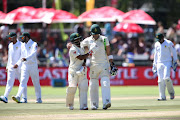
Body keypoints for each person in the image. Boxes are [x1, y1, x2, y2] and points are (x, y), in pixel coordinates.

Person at [81, 24, 118, 110]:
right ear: (91, 33)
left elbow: (108, 52)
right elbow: (80, 47)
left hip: (104, 64)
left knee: (105, 82)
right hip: (93, 65)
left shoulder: (104, 39)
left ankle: (106, 102)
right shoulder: (88, 40)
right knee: (93, 84)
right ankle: (94, 104)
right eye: (94, 34)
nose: (96, 35)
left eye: (97, 34)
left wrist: (112, 63)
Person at [66, 33, 98, 110]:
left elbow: (83, 59)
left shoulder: (81, 47)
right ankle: (70, 104)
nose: (78, 40)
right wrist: (90, 53)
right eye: (76, 39)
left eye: (78, 39)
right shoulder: (73, 49)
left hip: (81, 70)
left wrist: (84, 65)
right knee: (72, 88)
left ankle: (83, 105)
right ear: (73, 41)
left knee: (84, 87)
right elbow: (80, 57)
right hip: (73, 71)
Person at [11, 32, 42, 103]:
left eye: (22, 37)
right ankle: (19, 97)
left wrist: (26, 58)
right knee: (22, 81)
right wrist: (18, 64)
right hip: (25, 66)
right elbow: (21, 57)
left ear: (27, 37)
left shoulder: (34, 44)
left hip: (33, 66)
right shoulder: (22, 45)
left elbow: (33, 53)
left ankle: (39, 98)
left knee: (36, 82)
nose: (21, 38)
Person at [0, 32, 27, 103]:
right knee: (9, 81)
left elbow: (22, 56)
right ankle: (5, 97)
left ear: (14, 37)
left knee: (22, 82)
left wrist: (18, 63)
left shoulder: (21, 45)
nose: (9, 39)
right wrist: (7, 66)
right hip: (11, 66)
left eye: (10, 38)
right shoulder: (10, 45)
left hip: (20, 66)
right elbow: (10, 56)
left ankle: (24, 98)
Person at [152, 33, 178, 101]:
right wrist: (154, 64)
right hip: (159, 63)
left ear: (163, 37)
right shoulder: (156, 44)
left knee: (166, 78)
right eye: (158, 40)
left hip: (167, 62)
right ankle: (162, 96)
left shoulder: (169, 43)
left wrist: (175, 61)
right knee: (160, 80)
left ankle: (171, 92)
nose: (159, 41)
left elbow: (174, 52)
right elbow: (156, 54)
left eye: (160, 39)